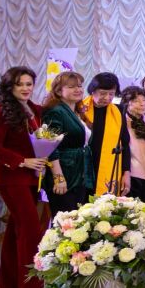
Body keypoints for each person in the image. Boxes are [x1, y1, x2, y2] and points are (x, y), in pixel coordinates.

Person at [0, 66, 46, 288]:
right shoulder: (0, 109)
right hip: (12, 178)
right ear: (9, 87)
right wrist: (22, 161)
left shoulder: (36, 110)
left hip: (33, 179)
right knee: (31, 231)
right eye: (20, 84)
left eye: (29, 84)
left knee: (15, 233)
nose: (25, 88)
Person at [40, 71, 91, 213]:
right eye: (71, 87)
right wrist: (58, 178)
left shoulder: (75, 111)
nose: (78, 90)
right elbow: (49, 146)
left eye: (79, 86)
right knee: (64, 219)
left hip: (78, 173)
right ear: (58, 91)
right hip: (64, 172)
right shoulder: (55, 111)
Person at [83, 72, 132, 197]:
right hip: (84, 167)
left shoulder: (118, 112)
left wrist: (126, 172)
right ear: (92, 90)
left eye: (111, 94)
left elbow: (125, 144)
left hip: (109, 168)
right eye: (103, 93)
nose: (107, 97)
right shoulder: (80, 109)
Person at [120, 86, 145, 202]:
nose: (142, 104)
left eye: (144, 100)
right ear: (126, 103)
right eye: (136, 101)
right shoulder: (121, 122)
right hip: (131, 175)